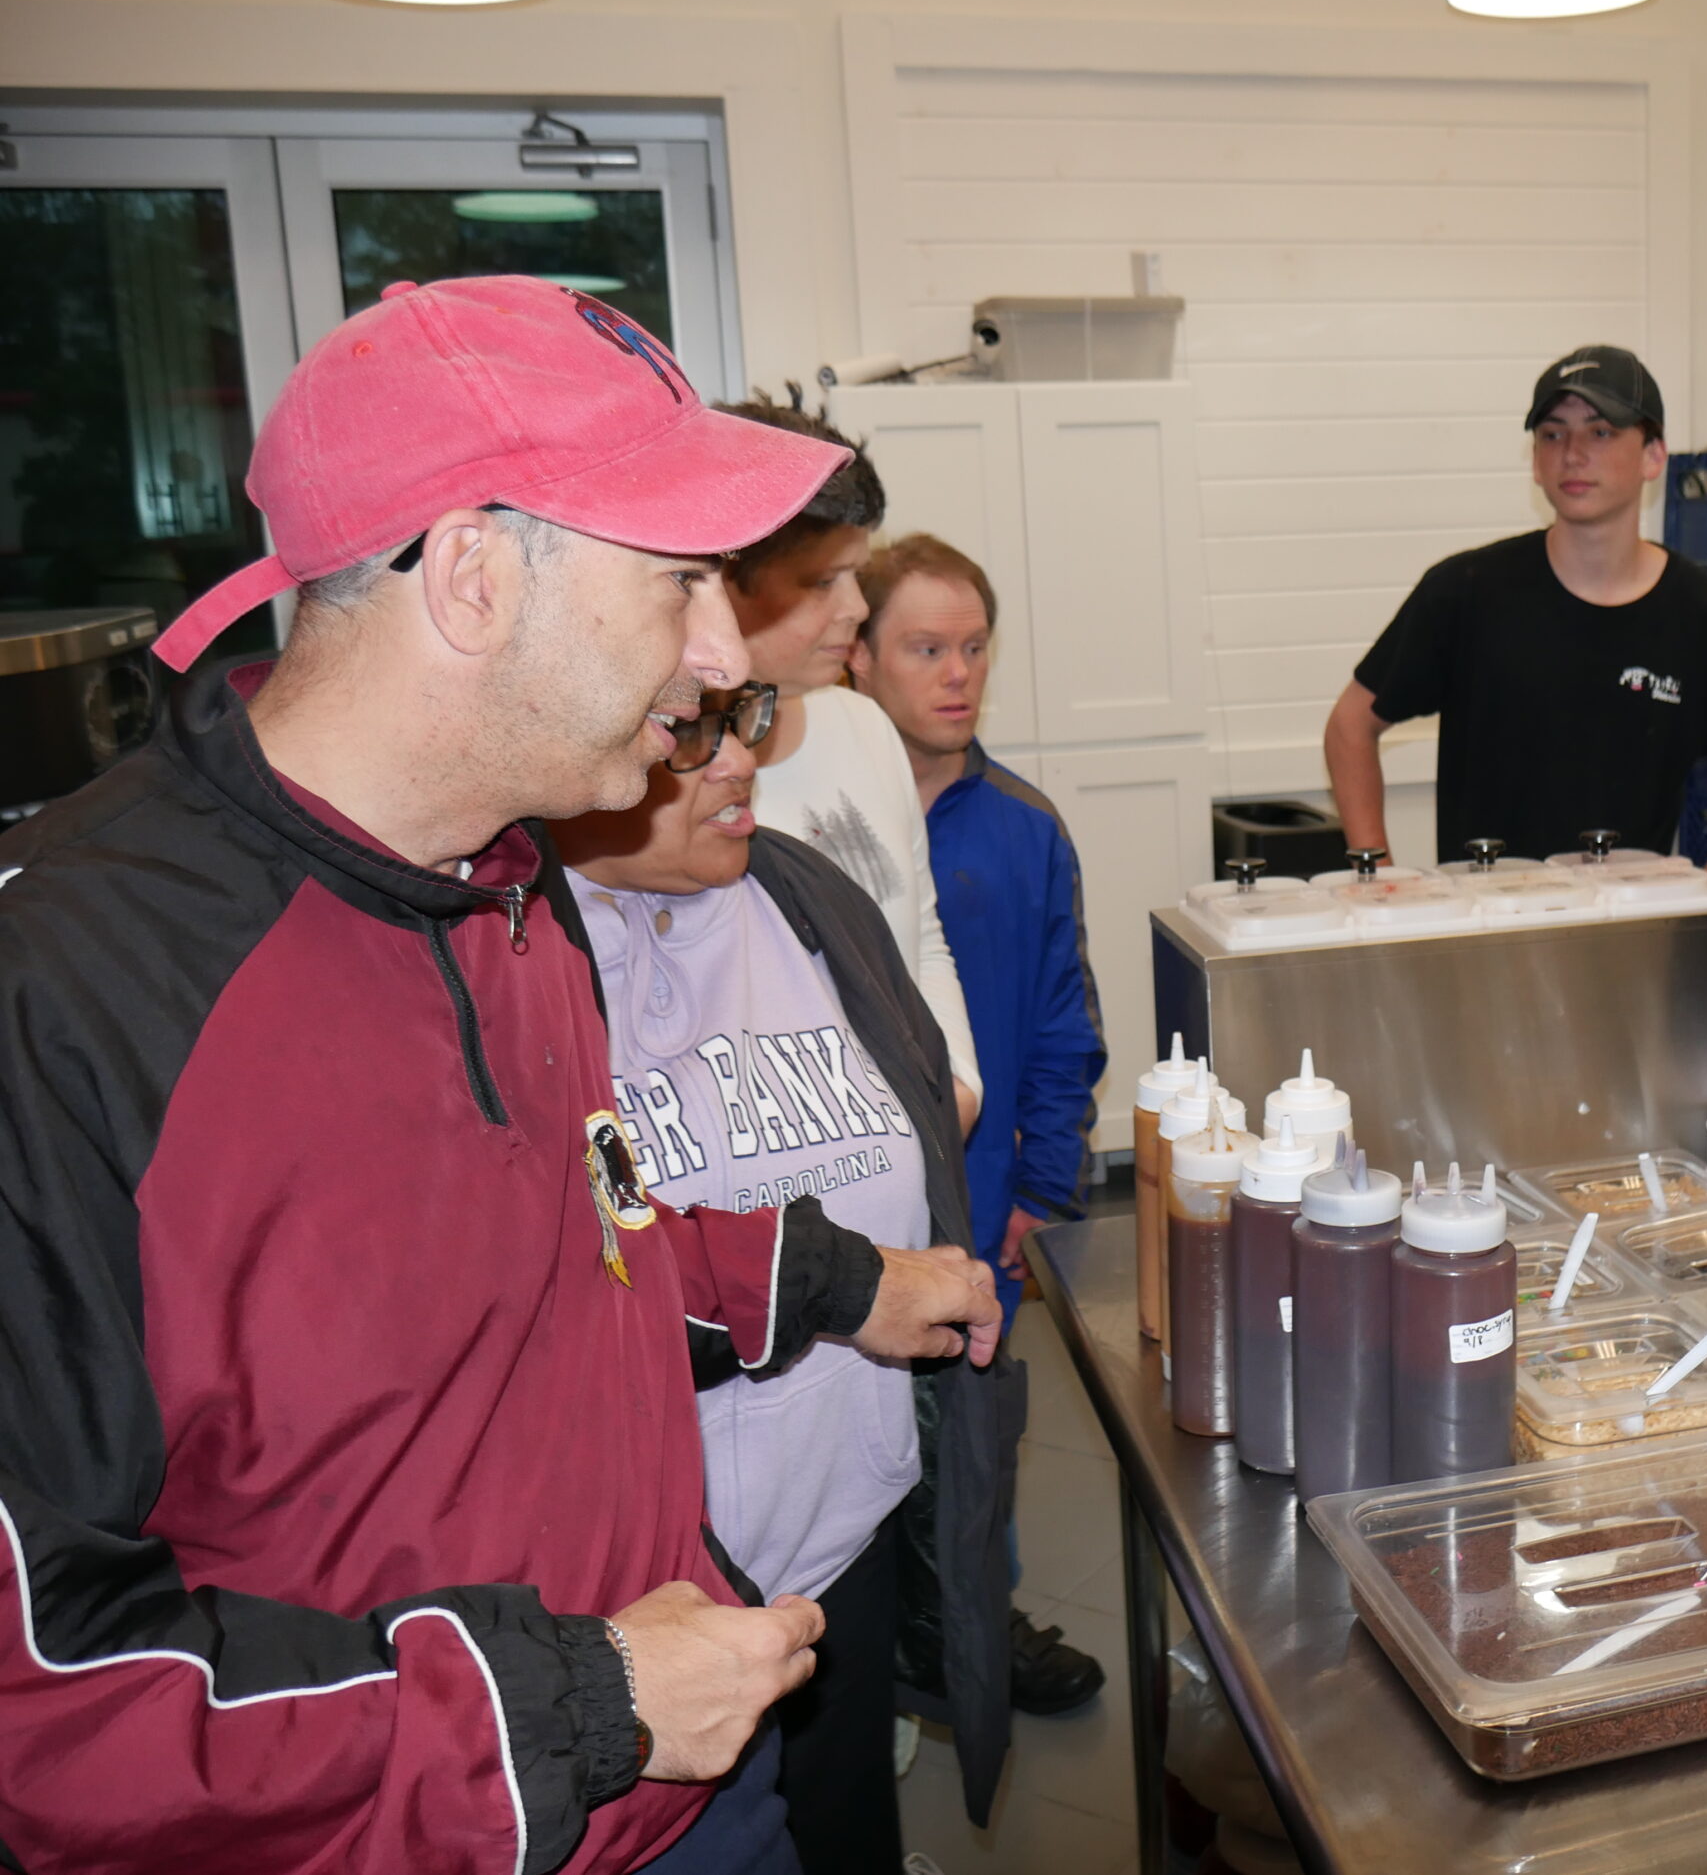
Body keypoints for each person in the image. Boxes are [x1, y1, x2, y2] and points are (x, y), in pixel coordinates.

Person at [0, 274, 1002, 1875]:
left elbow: (567, 1247)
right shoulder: (67, 1000)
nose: (724, 648)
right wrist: (582, 1697)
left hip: (681, 1791)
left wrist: (824, 1276)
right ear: (470, 574)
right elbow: (41, 1703)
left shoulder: (507, 886)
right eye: (679, 580)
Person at [549, 687, 1020, 1874]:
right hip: (652, 1602)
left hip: (839, 1541)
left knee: (850, 1831)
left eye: (746, 719)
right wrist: (841, 1281)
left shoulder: (803, 891)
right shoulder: (517, 955)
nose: (740, 758)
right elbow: (568, 1275)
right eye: (691, 734)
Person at [852, 532, 1110, 1719]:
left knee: (978, 1444)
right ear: (859, 659)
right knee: (861, 1461)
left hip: (983, 1208)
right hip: (850, 1221)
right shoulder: (802, 825)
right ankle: (873, 1661)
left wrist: (1037, 1193)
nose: (955, 673)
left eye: (971, 649)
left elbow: (1064, 1027)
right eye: (924, 648)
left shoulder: (1023, 827)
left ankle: (977, 1638)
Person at [1323, 345, 1707, 884]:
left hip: (1628, 944)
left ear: (1654, 455)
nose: (1573, 453)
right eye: (1553, 434)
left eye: (1600, 432)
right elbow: (1350, 727)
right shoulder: (1467, 593)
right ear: (1535, 462)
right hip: (1481, 939)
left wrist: (1704, 897)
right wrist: (1377, 881)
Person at [715, 394, 982, 1135]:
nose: (858, 609)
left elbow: (919, 934)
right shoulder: (671, 779)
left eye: (856, 577)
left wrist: (957, 1086)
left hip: (917, 1146)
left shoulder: (864, 725)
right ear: (724, 577)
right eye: (821, 583)